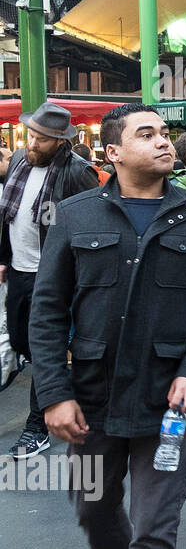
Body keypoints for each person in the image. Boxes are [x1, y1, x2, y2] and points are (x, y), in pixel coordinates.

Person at [30, 102, 186, 549]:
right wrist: (53, 394)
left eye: (165, 133)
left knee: (155, 523)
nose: (163, 141)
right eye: (147, 134)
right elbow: (46, 310)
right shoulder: (75, 215)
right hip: (91, 399)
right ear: (113, 152)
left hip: (169, 403)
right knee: (94, 511)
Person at [0, 102, 100, 458]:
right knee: (21, 342)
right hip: (19, 271)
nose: (32, 143)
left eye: (41, 139)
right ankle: (62, 388)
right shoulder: (18, 161)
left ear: (60, 141)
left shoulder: (78, 172)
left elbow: (92, 228)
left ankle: (36, 427)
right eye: (31, 135)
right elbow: (8, 217)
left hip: (54, 277)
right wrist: (4, 259)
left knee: (45, 348)